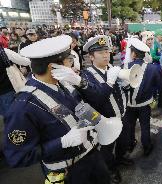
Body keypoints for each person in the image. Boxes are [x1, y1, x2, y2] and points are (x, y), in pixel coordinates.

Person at [4, 35, 111, 184]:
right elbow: (18, 157)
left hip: (92, 156)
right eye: (69, 61)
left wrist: (80, 82)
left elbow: (98, 98)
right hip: (68, 171)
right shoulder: (23, 106)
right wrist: (62, 142)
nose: (72, 66)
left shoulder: (65, 83)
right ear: (52, 67)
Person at [77, 35, 132, 184]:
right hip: (105, 122)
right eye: (101, 52)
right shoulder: (87, 76)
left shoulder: (114, 69)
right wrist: (110, 81)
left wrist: (127, 85)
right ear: (91, 56)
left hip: (122, 115)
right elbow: (97, 99)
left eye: (107, 51)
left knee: (124, 142)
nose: (106, 55)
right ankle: (111, 169)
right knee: (107, 149)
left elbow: (122, 91)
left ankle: (120, 159)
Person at [123, 38, 161, 156]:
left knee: (130, 125)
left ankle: (130, 144)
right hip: (145, 104)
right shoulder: (153, 68)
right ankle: (146, 146)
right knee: (145, 126)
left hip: (129, 104)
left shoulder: (125, 66)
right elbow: (158, 84)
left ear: (133, 53)